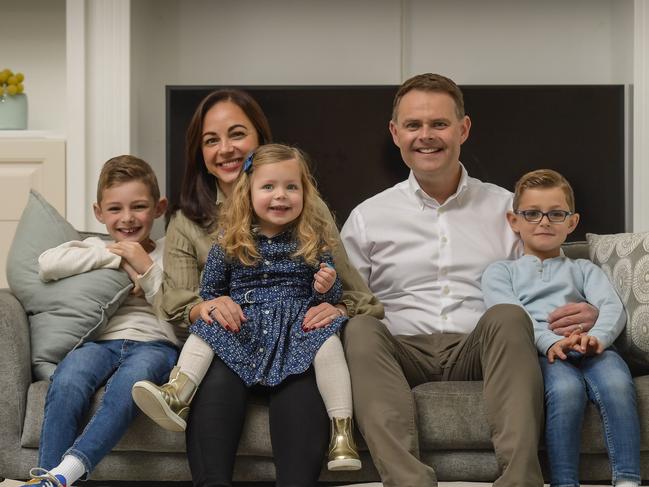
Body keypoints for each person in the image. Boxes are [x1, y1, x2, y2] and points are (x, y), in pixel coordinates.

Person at [340, 73, 598, 487]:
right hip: (399, 352)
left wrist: (585, 307)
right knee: (360, 328)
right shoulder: (368, 216)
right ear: (395, 133)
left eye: (439, 124)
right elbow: (349, 298)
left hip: (479, 348)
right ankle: (408, 482)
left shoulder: (506, 209)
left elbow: (545, 277)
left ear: (464, 129)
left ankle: (520, 480)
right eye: (413, 125)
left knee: (510, 315)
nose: (426, 136)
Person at [155, 90, 382, 486]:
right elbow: (178, 301)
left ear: (260, 143)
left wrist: (337, 308)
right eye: (211, 140)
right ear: (200, 153)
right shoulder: (186, 222)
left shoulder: (309, 214)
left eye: (236, 134)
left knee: (304, 391)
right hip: (231, 342)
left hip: (295, 341)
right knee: (213, 385)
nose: (225, 148)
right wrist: (206, 308)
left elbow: (359, 296)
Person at [133, 143, 361, 471]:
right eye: (268, 186)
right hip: (245, 324)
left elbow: (330, 295)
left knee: (328, 340)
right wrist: (216, 303)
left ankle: (342, 433)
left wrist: (327, 287)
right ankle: (178, 392)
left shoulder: (313, 239)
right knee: (207, 324)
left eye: (291, 187)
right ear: (248, 192)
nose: (280, 195)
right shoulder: (231, 240)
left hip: (296, 326)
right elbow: (211, 290)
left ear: (305, 193)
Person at [20, 156, 180, 487]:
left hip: (155, 345)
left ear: (159, 207)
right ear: (98, 212)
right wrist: (120, 254)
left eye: (138, 206)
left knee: (130, 386)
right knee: (68, 380)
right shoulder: (96, 246)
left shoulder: (172, 252)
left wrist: (147, 268)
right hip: (100, 343)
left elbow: (180, 305)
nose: (127, 218)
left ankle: (68, 471)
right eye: (115, 209)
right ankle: (48, 477)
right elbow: (48, 264)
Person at [482, 169, 640, 487]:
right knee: (566, 391)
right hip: (545, 352)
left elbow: (612, 307)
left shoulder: (584, 269)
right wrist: (549, 342)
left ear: (572, 222)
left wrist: (597, 338)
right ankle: (564, 482)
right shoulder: (500, 272)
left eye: (556, 214)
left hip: (593, 347)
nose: (544, 222)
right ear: (515, 221)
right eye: (532, 213)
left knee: (618, 385)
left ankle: (627, 479)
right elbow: (511, 316)